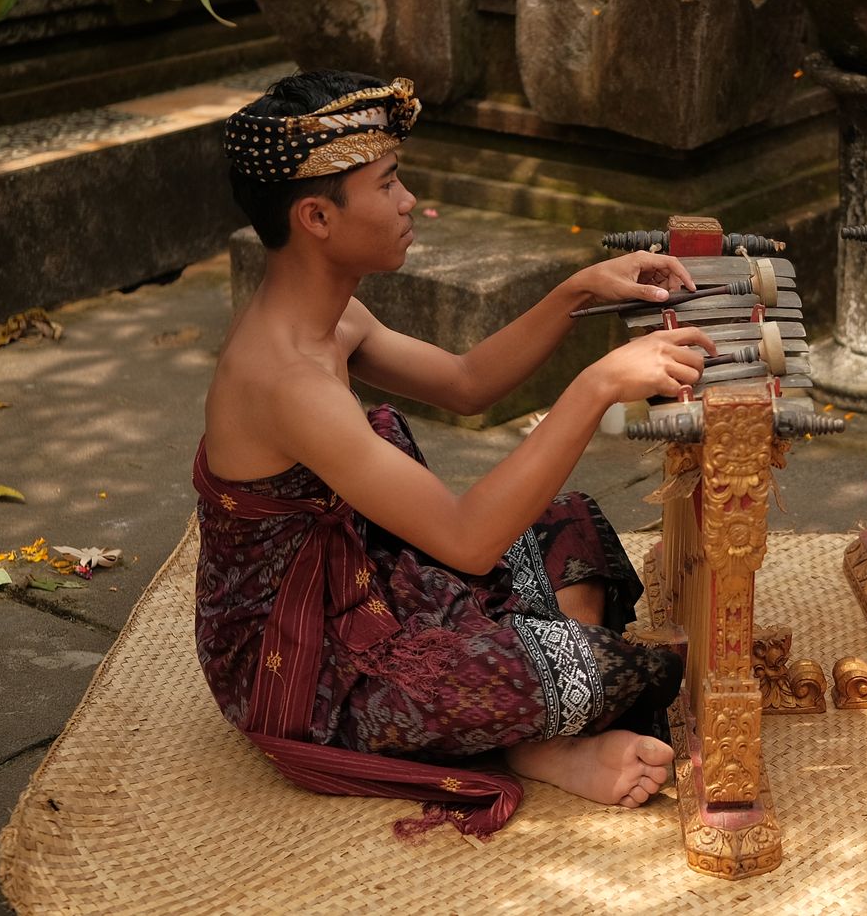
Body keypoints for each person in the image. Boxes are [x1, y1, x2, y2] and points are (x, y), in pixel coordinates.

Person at [194, 69, 710, 836]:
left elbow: (468, 383)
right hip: (302, 660)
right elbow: (469, 541)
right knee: (612, 667)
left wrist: (577, 292)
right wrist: (595, 386)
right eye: (389, 183)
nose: (408, 202)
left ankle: (532, 722)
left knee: (570, 526)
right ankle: (532, 749)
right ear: (316, 216)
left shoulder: (329, 317)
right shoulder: (286, 377)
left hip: (372, 579)